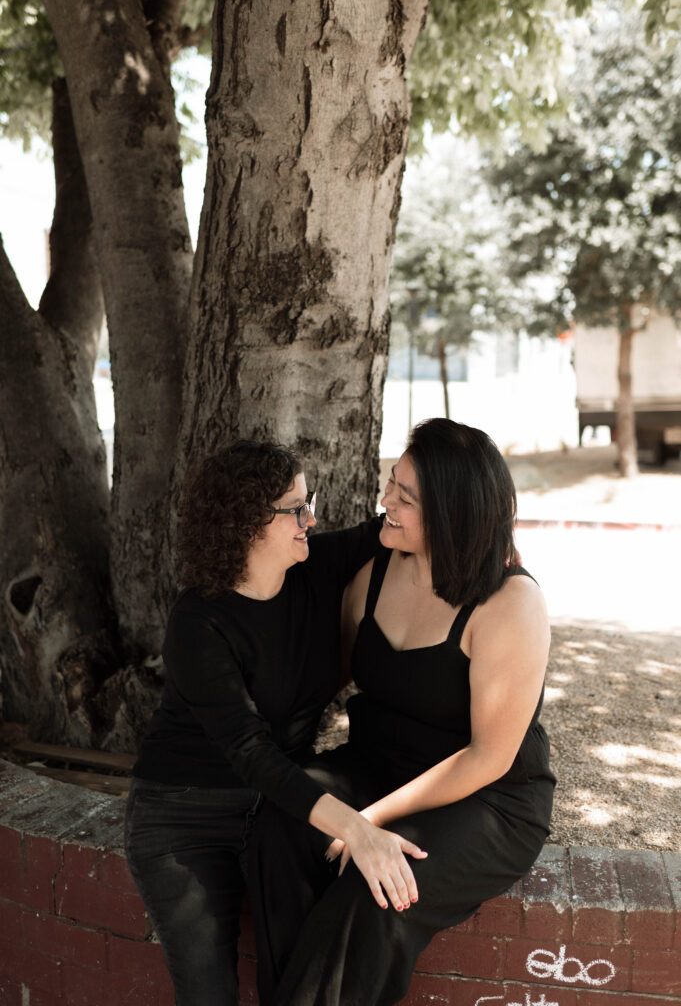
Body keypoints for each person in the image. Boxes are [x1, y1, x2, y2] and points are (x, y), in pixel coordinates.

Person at [249, 418, 556, 1006]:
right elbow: (324, 680)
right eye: (391, 482)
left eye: (404, 497)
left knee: (378, 889)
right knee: (280, 824)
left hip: (484, 799)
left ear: (451, 511)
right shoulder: (376, 570)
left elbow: (490, 756)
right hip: (375, 765)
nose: (384, 501)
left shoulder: (511, 602)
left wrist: (368, 822)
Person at [124, 439, 426, 1006]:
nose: (310, 518)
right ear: (247, 522)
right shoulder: (198, 621)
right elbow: (252, 752)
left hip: (279, 810)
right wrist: (356, 829)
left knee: (301, 978)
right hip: (184, 818)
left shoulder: (317, 566)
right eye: (295, 507)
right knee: (210, 994)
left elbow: (399, 527)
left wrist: (491, 536)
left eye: (308, 501)